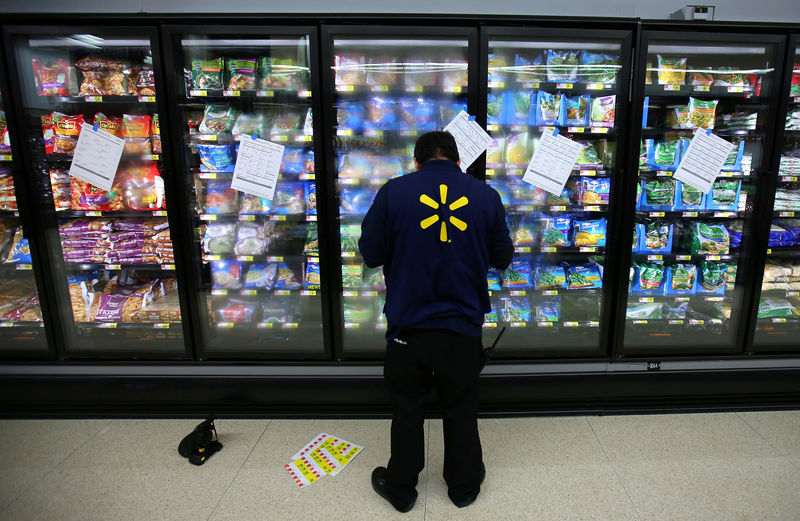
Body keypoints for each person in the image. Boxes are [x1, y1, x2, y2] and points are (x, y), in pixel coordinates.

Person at [358, 130, 514, 513]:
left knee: (407, 409)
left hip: (407, 328)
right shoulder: (486, 196)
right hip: (461, 328)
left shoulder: (394, 192)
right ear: (459, 161)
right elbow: (503, 258)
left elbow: (372, 254)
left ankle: (401, 488)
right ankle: (463, 489)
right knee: (460, 408)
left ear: (416, 161)